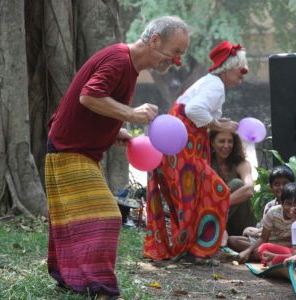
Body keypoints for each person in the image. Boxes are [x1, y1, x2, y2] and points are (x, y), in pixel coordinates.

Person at [45, 16, 189, 299]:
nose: (177, 61)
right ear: (154, 40)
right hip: (68, 150)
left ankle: (70, 279)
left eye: (181, 55)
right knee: (108, 217)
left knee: (72, 219)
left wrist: (115, 132)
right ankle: (103, 290)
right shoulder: (119, 60)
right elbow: (89, 96)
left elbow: (91, 106)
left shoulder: (129, 66)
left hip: (79, 149)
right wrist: (131, 114)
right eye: (176, 52)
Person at [144, 41, 249, 261]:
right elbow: (193, 110)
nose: (243, 75)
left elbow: (196, 112)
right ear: (228, 68)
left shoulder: (212, 83)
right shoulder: (215, 85)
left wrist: (218, 122)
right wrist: (219, 125)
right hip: (183, 146)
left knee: (194, 196)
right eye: (240, 70)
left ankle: (193, 248)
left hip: (182, 146)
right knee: (216, 192)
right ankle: (197, 249)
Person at [228, 183, 296, 263]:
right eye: (288, 204)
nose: (292, 208)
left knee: (260, 250)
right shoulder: (273, 212)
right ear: (282, 204)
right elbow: (263, 238)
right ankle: (258, 256)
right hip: (268, 244)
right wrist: (247, 251)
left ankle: (260, 257)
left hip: (284, 250)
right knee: (232, 240)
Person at [209, 130, 255, 236]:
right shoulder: (207, 165)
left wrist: (220, 205)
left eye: (230, 141)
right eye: (222, 141)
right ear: (212, 142)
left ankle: (212, 231)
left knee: (237, 184)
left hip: (242, 224)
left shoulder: (241, 164)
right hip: (220, 221)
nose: (226, 145)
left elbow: (249, 190)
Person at [241, 165, 296, 240]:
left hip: (287, 240)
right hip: (269, 237)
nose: (281, 187)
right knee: (242, 234)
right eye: (277, 184)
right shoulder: (270, 206)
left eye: (285, 184)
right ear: (270, 187)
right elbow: (265, 228)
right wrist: (256, 232)